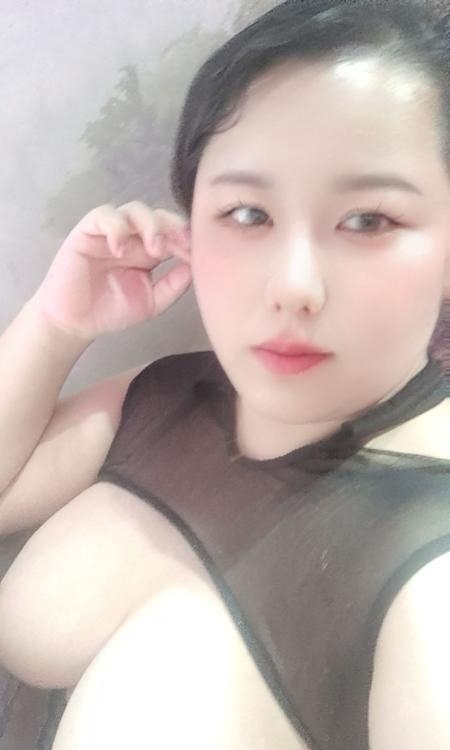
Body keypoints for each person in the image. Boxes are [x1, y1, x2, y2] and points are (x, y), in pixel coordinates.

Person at [0, 0, 449, 748]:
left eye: (368, 220)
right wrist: (53, 325)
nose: (293, 286)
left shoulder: (429, 568)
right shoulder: (166, 390)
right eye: (247, 214)